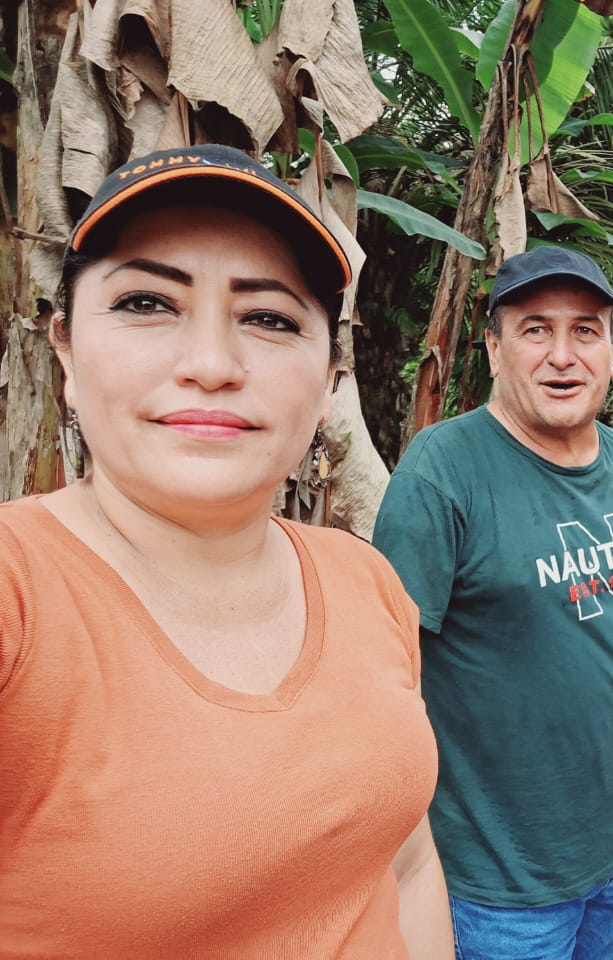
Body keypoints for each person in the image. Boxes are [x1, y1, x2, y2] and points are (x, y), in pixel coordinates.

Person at [0, 145, 451, 959]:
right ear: (64, 349)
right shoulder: (18, 598)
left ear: (329, 378)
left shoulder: (367, 580)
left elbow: (408, 863)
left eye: (270, 318)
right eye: (146, 302)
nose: (210, 365)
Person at [371, 245, 613, 960]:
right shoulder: (441, 475)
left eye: (585, 330)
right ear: (495, 350)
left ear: (609, 352)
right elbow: (381, 674)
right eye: (535, 330)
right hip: (505, 878)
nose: (563, 355)